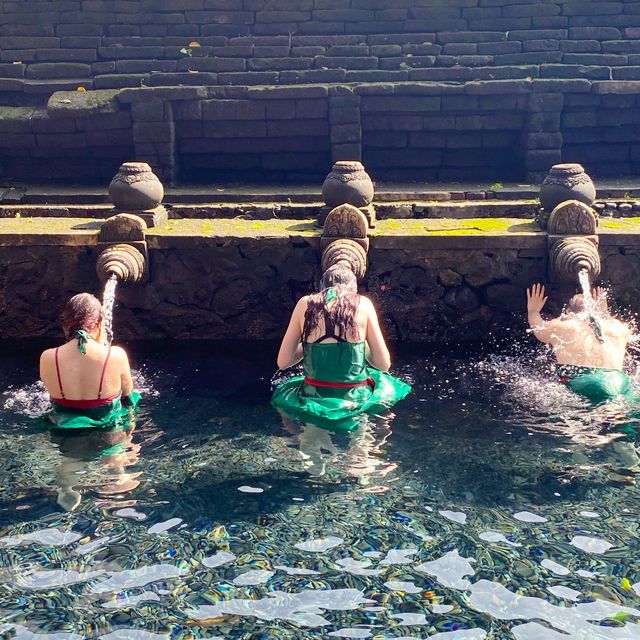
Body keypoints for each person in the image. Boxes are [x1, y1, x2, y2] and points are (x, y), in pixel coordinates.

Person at [271, 265, 411, 430]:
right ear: (354, 289)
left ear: (321, 287)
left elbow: (283, 362)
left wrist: (310, 346)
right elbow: (383, 364)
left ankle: (310, 446)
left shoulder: (304, 304)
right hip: (355, 396)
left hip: (313, 395)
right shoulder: (364, 304)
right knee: (362, 441)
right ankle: (361, 447)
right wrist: (359, 346)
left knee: (311, 441)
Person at [40, 293, 140, 430]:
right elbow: (128, 401)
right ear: (99, 323)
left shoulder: (48, 357)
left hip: (63, 439)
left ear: (67, 324)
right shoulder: (115, 355)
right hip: (110, 438)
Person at [527, 283, 633, 403]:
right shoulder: (619, 329)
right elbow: (612, 322)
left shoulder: (563, 326)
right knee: (617, 410)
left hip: (586, 382)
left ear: (567, 312)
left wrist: (533, 311)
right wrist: (605, 313)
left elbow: (539, 329)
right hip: (618, 382)